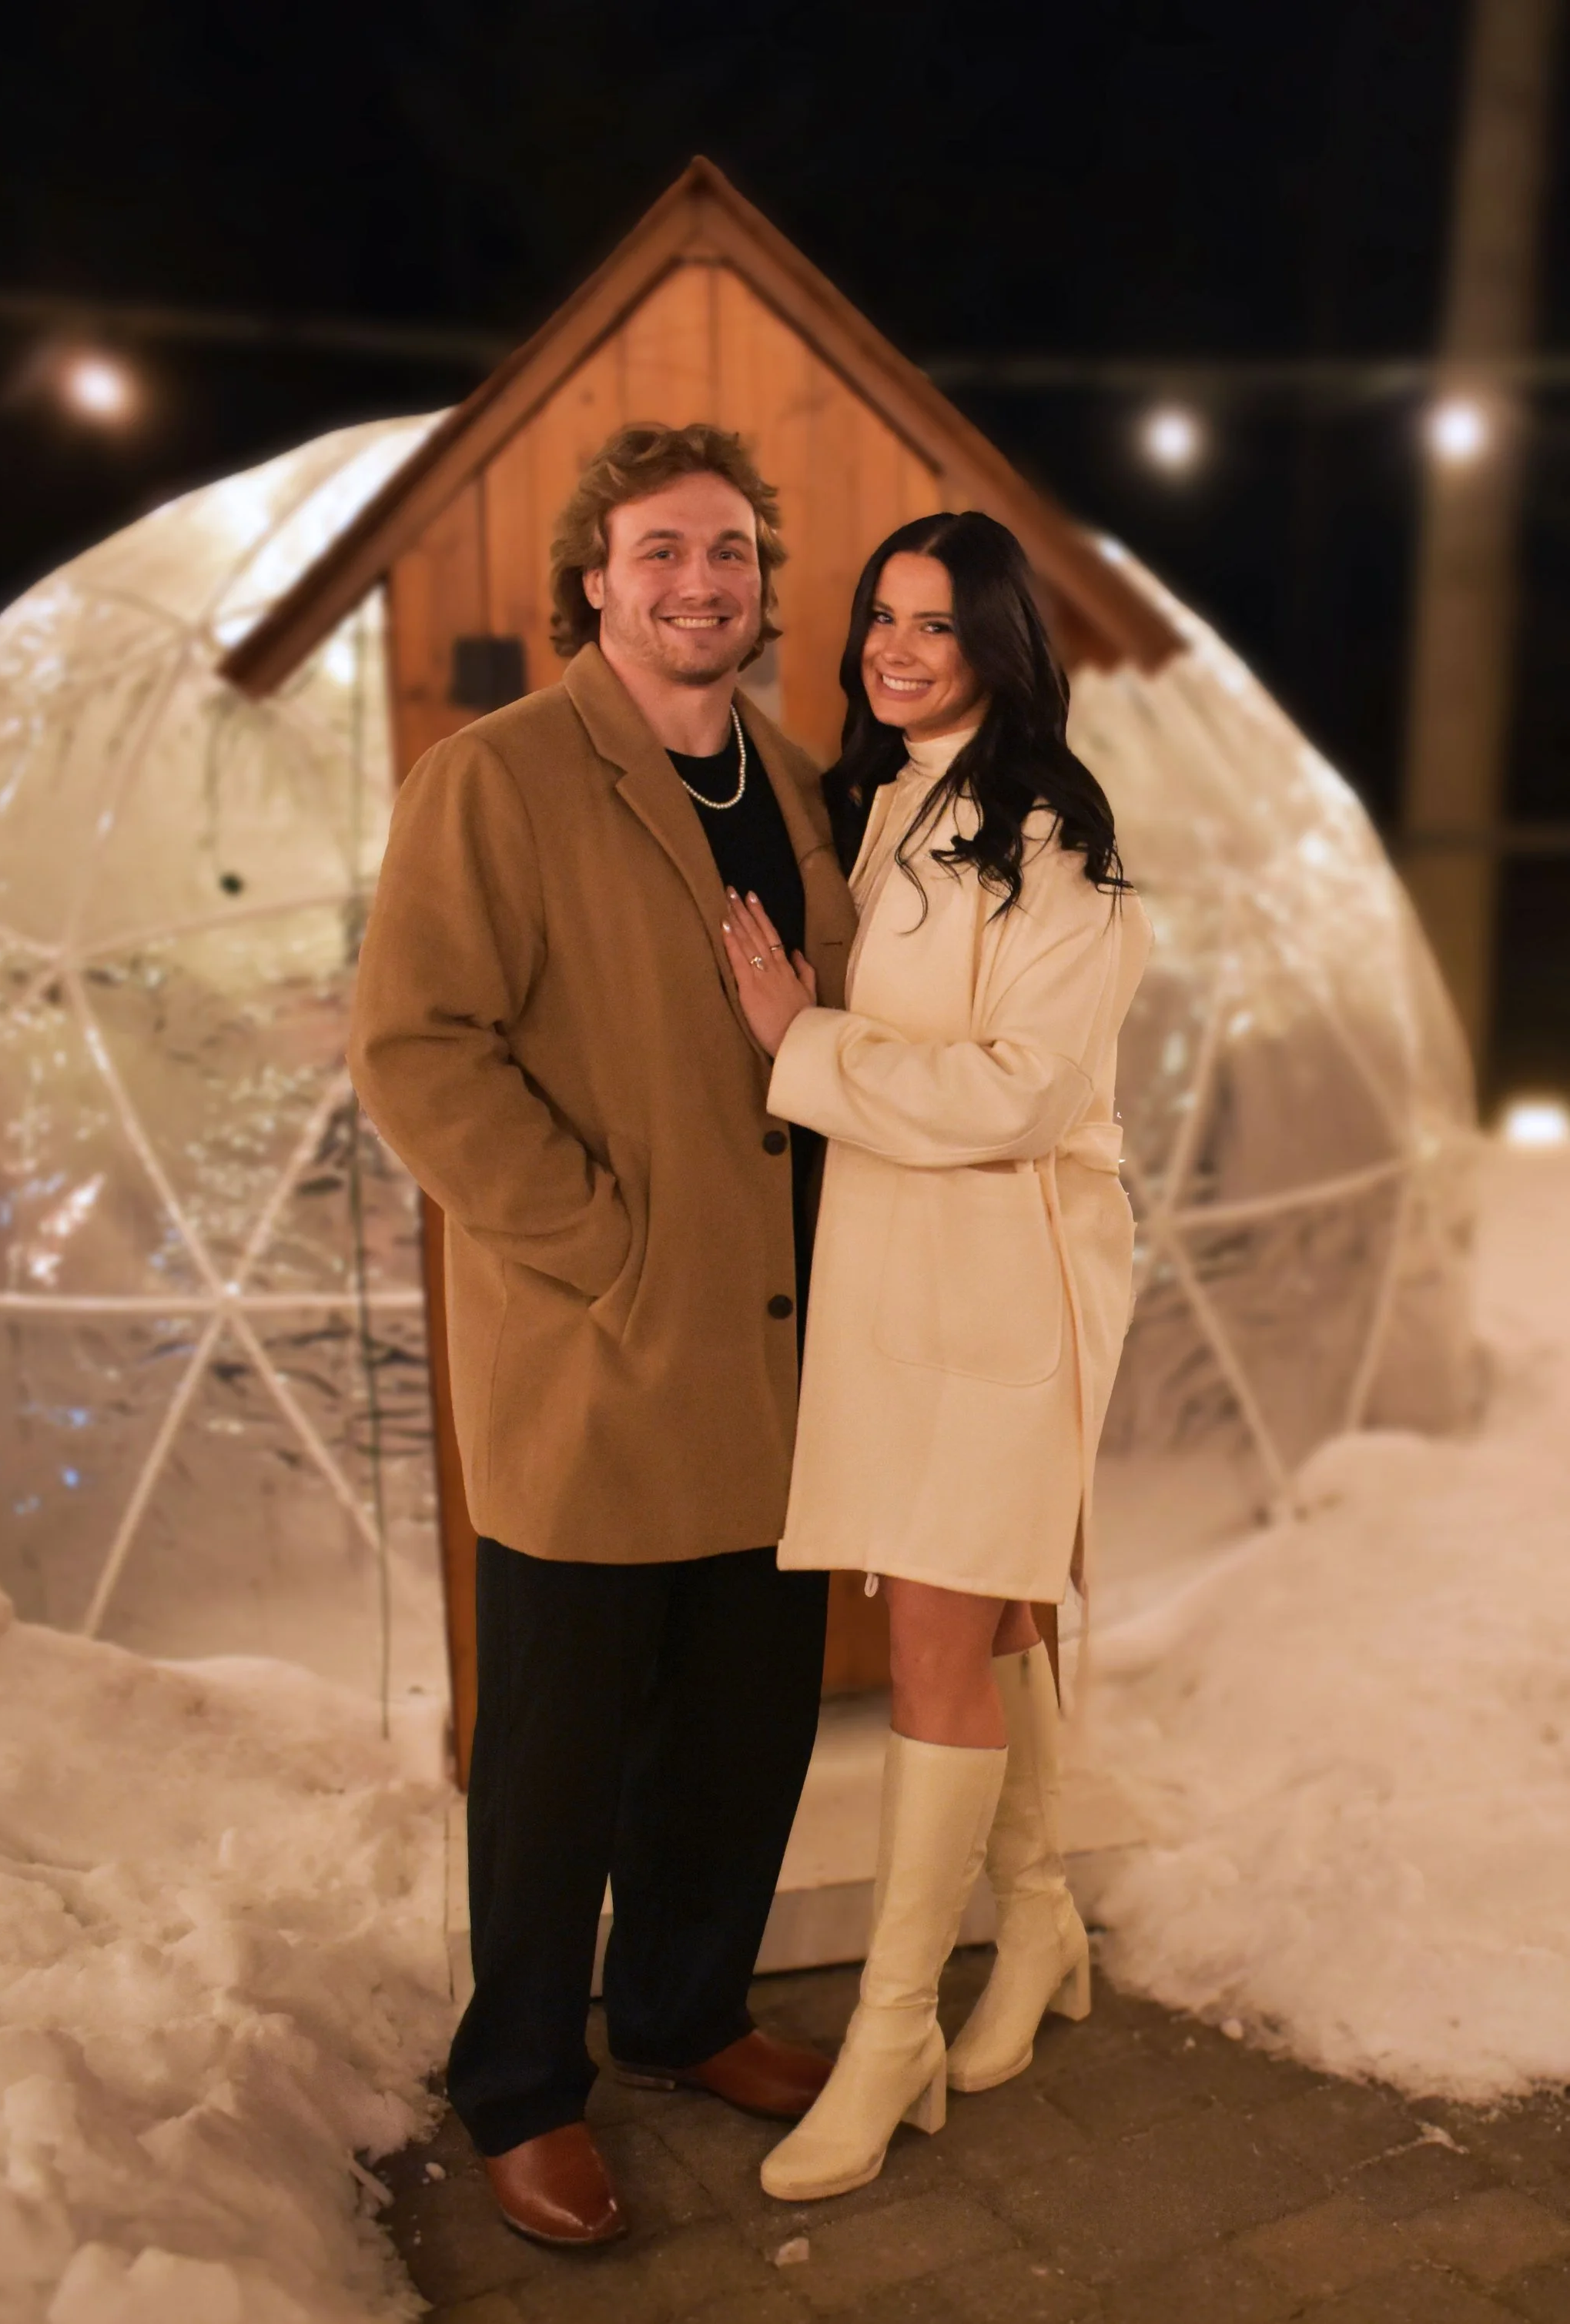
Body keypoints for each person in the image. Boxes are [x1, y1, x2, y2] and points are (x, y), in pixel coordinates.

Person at [348, 422, 858, 2246]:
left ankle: (682, 2013)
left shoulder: (796, 783)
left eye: (725, 551)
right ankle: (518, 2089)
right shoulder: (497, 778)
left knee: (739, 1731)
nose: (695, 584)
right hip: (600, 1350)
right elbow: (416, 1049)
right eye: (658, 553)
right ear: (593, 577)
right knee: (555, 1761)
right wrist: (598, 1239)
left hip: (778, 1356)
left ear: (757, 580)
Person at [716, 511, 1153, 2204]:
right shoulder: (884, 794)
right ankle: (1033, 1917)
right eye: (880, 618)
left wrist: (794, 1042)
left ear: (999, 646)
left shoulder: (1050, 833)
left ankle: (892, 2032)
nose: (897, 649)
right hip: (897, 1250)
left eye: (935, 626)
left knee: (933, 1642)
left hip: (1005, 1260)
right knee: (981, 1596)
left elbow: (1024, 1093)